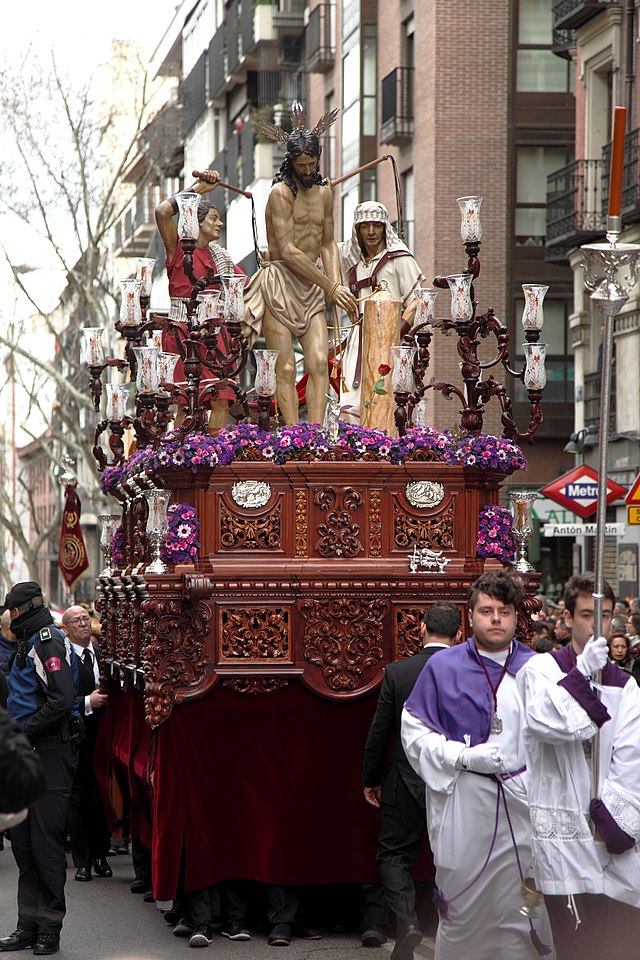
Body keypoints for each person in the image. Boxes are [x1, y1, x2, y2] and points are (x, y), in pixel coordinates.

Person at [401, 571, 549, 960]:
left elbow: (561, 744)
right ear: (470, 616)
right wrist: (463, 756)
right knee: (463, 906)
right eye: (487, 611)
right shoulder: (442, 667)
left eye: (504, 611)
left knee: (522, 907)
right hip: (464, 801)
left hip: (522, 806)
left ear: (517, 617)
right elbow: (414, 734)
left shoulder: (539, 671)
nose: (496, 619)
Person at [517, 572, 640, 960]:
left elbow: (632, 758)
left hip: (609, 836)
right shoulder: (541, 671)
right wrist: (583, 672)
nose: (596, 625)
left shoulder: (627, 685)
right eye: (587, 614)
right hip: (562, 834)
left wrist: (613, 819)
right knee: (575, 946)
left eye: (604, 615)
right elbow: (545, 724)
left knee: (616, 944)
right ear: (568, 618)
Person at [244, 102, 358, 425]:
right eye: (301, 165)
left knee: (320, 361)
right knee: (287, 368)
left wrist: (338, 288)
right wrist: (332, 286)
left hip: (311, 289)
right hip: (280, 286)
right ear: (290, 163)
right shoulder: (280, 195)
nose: (308, 171)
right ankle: (294, 437)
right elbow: (289, 251)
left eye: (312, 164)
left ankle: (316, 436)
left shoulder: (324, 194)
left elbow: (326, 243)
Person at [362, 604, 462, 960]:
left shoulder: (398, 672)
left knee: (393, 856)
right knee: (455, 855)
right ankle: (456, 929)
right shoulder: (468, 672)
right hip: (455, 779)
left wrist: (370, 780)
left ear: (420, 628)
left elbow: (380, 733)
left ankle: (407, 924)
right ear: (459, 634)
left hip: (404, 778)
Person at [0, 582, 81, 957]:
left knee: (46, 846)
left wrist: (24, 731)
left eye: (12, 612)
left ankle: (50, 929)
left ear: (21, 611)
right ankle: (27, 927)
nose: (10, 618)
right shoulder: (27, 641)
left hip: (48, 753)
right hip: (26, 754)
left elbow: (62, 699)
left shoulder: (46, 641)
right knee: (25, 845)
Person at [154, 171, 247, 429]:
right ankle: (184, 454)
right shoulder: (178, 245)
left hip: (214, 333)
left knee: (221, 398)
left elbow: (243, 287)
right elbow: (162, 211)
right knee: (185, 401)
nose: (220, 224)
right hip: (182, 332)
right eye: (214, 218)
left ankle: (212, 452)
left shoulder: (221, 257)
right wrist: (197, 190)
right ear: (196, 219)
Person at [339, 202, 427, 423]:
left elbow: (417, 301)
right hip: (357, 342)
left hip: (389, 343)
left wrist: (394, 335)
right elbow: (322, 248)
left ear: (384, 227)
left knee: (385, 407)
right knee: (349, 407)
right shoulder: (352, 261)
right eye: (365, 226)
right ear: (357, 229)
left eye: (377, 226)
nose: (371, 232)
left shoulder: (400, 258)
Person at [62, 605, 111, 883]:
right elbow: (56, 697)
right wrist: (86, 703)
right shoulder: (62, 657)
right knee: (77, 797)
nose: (83, 623)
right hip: (74, 735)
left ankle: (101, 855)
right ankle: (82, 861)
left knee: (100, 793)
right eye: (76, 621)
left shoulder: (102, 656)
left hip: (102, 734)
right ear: (66, 629)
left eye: (85, 618)